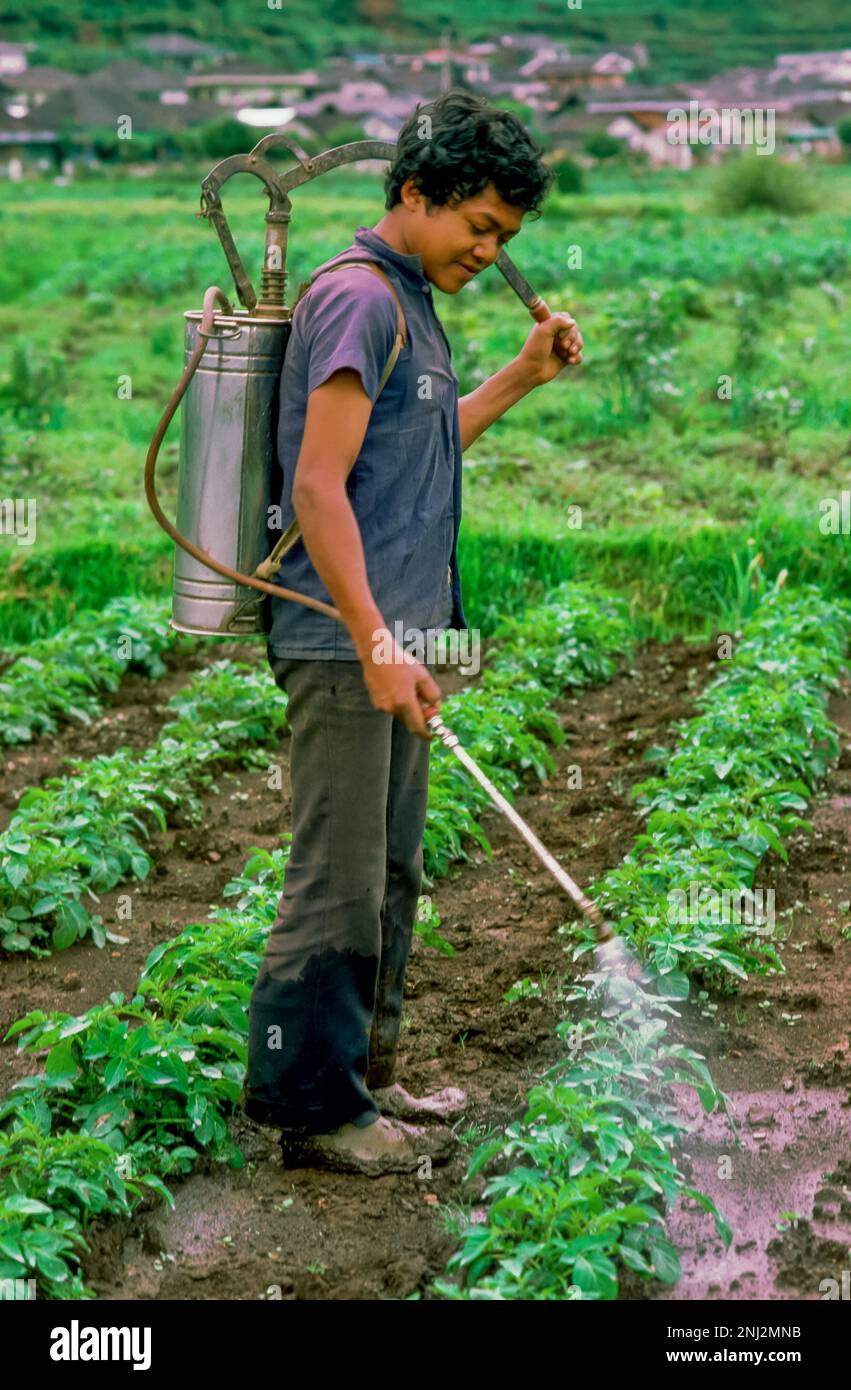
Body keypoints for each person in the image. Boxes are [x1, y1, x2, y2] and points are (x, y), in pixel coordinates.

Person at [242, 89, 583, 1176]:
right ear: (414, 193)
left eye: (504, 238)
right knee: (335, 880)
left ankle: (370, 1081)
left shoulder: (412, 300)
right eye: (476, 224)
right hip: (345, 645)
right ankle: (316, 1113)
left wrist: (519, 378)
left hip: (393, 642)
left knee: (387, 871)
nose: (488, 250)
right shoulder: (356, 300)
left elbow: (426, 443)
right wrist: (381, 646)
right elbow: (319, 485)